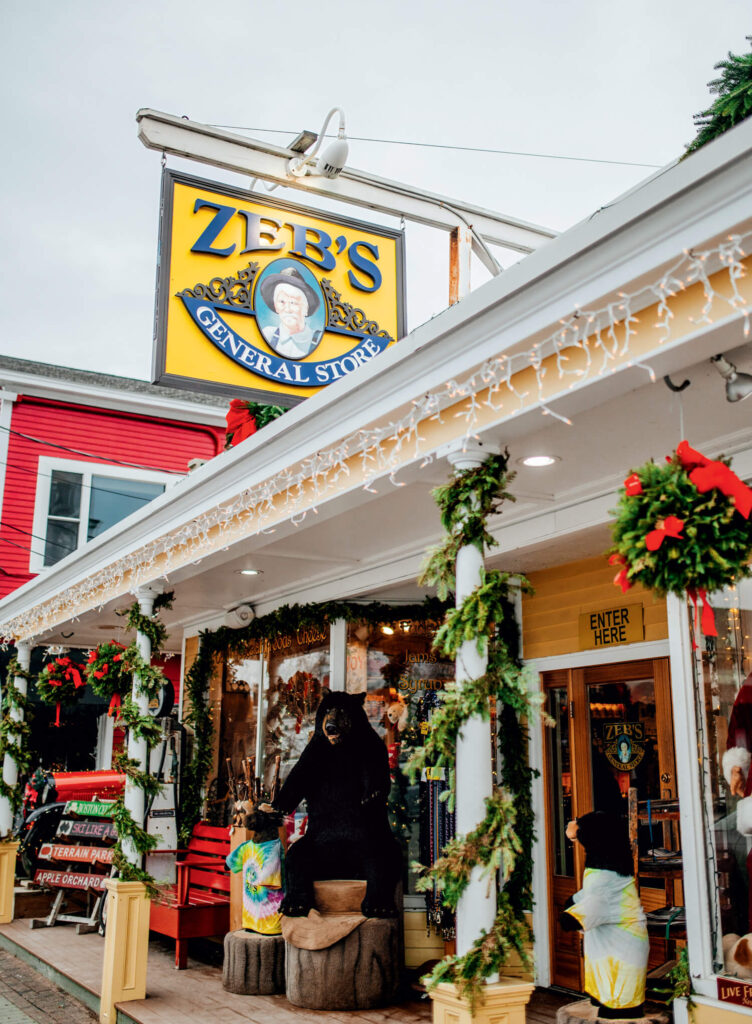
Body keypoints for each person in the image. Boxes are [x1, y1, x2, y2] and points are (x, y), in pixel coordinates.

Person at [560, 812, 649, 1020]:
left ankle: (620, 1005)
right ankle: (601, 996)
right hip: (608, 945)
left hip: (622, 954)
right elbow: (592, 893)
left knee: (618, 1004)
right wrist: (575, 899)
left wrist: (570, 913)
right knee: (604, 984)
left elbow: (594, 904)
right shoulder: (607, 869)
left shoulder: (607, 879)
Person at [259, 266, 322, 359]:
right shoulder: (268, 334)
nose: (288, 309)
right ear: (276, 307)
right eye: (281, 302)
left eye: (293, 302)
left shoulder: (318, 339)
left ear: (306, 308)